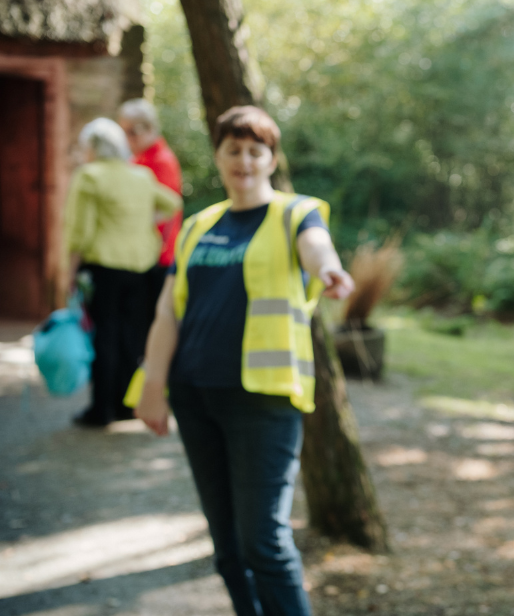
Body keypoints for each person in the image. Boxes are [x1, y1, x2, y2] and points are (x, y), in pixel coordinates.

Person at [134, 105, 353, 616]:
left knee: (264, 543)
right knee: (228, 549)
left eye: (256, 150)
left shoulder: (296, 213)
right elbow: (169, 311)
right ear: (218, 156)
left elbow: (316, 247)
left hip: (263, 401)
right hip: (195, 395)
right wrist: (153, 384)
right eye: (233, 150)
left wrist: (330, 270)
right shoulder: (197, 226)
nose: (244, 160)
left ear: (271, 158)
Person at [66, 118, 181, 427]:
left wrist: (69, 272)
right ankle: (126, 405)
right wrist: (147, 224)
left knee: (104, 336)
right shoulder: (141, 175)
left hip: (104, 267)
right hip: (141, 267)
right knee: (132, 337)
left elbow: (80, 232)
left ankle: (100, 410)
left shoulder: (89, 176)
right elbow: (172, 203)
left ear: (92, 148)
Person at [117, 99, 184, 329]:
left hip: (158, 255)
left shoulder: (161, 161)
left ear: (149, 129)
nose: (127, 138)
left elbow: (165, 212)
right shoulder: (137, 158)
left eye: (132, 132)